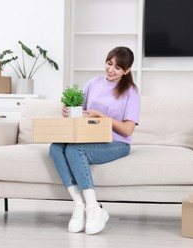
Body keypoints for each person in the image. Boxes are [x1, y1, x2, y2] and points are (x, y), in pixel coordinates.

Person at [49, 46, 140, 235]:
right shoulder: (93, 83)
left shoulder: (131, 91)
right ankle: (79, 205)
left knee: (74, 150)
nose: (110, 69)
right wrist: (67, 109)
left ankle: (93, 209)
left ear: (127, 71)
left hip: (116, 144)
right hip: (86, 137)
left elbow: (127, 129)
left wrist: (102, 118)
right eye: (109, 63)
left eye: (117, 67)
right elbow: (77, 110)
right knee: (56, 148)